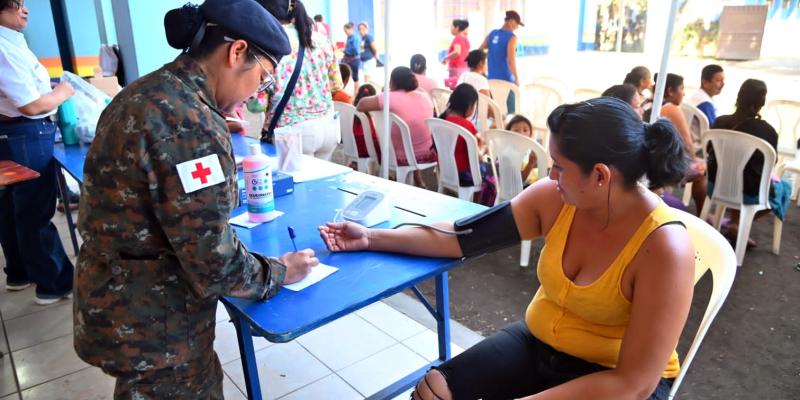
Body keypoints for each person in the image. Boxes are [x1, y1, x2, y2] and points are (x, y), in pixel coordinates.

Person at [320, 97, 695, 400]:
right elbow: (461, 237)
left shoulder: (663, 247)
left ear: (600, 176)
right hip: (542, 344)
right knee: (434, 391)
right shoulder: (554, 199)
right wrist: (371, 237)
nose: (550, 176)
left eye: (560, 167)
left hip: (614, 379)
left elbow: (633, 384)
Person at [73, 1, 317, 398]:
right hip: (157, 329)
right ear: (237, 52)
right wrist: (279, 271)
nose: (258, 91)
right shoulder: (190, 122)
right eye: (264, 77)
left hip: (118, 303)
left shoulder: (148, 91)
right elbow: (213, 262)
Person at [0, 0, 76, 304]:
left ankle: (19, 272)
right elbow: (30, 105)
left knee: (11, 209)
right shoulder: (4, 47)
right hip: (25, 132)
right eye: (16, 5)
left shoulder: (11, 41)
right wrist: (63, 92)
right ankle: (53, 284)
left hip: (13, 132)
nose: (25, 10)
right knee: (35, 210)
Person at [707, 79, 792, 245]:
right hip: (748, 194)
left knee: (738, 175)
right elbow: (770, 166)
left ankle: (733, 222)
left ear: (739, 97)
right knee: (782, 188)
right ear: (762, 102)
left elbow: (709, 153)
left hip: (715, 185)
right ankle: (739, 224)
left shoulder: (720, 122)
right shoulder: (767, 131)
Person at [262, 0, 343, 161]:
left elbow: (257, 105)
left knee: (297, 184)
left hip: (291, 131)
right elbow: (336, 85)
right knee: (322, 184)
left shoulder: (269, 42)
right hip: (328, 126)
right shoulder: (322, 40)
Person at [357, 67, 436, 188]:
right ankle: (417, 178)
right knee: (410, 133)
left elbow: (360, 105)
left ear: (392, 82)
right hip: (428, 153)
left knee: (393, 136)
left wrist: (386, 93)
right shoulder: (424, 96)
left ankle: (391, 174)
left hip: (400, 156)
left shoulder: (390, 98)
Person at [647, 73, 707, 214]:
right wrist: (695, 159)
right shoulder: (672, 108)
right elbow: (688, 143)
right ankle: (703, 215)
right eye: (681, 88)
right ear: (670, 91)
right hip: (663, 166)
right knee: (703, 171)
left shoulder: (647, 103)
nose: (684, 93)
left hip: (648, 161)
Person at [439, 83, 495, 205]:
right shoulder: (467, 125)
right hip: (464, 175)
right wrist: (484, 148)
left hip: (445, 170)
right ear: (469, 106)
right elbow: (477, 156)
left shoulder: (441, 119)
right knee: (495, 170)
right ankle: (480, 205)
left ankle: (474, 200)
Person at [480, 10, 523, 113]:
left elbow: (480, 50)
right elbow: (511, 59)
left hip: (491, 79)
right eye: (517, 24)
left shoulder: (492, 34)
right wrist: (517, 78)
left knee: (495, 110)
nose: (517, 27)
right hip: (506, 80)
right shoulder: (512, 37)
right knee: (510, 112)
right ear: (511, 21)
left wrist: (489, 59)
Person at [506, 114, 539, 186]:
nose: (521, 134)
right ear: (508, 134)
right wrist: (531, 163)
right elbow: (518, 181)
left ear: (530, 134)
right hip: (519, 189)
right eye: (516, 130)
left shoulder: (530, 149)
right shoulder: (508, 153)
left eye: (525, 130)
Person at [352, 84, 379, 158]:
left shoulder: (351, 111)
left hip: (352, 147)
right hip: (367, 150)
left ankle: (356, 162)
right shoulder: (372, 115)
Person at [442, 19, 470, 89]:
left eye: (451, 27)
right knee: (461, 88)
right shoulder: (465, 39)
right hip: (464, 68)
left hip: (456, 69)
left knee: (455, 90)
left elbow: (457, 52)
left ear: (456, 28)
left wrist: (445, 58)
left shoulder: (457, 38)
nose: (450, 29)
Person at [342, 22, 361, 93]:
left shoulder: (355, 37)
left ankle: (356, 92)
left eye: (346, 31)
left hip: (354, 59)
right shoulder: (349, 37)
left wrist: (345, 51)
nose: (345, 33)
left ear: (350, 29)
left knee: (355, 77)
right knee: (345, 75)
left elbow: (356, 50)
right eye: (344, 31)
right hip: (348, 59)